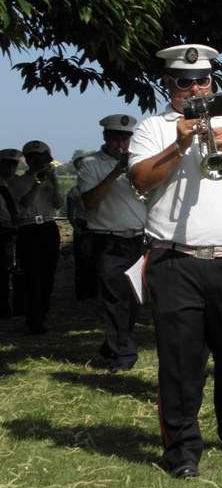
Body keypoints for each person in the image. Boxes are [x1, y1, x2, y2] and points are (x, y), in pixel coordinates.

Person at [129, 44, 222, 478]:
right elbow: (140, 180)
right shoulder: (152, 127)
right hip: (175, 260)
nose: (195, 88)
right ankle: (182, 450)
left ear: (213, 82)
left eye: (203, 80)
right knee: (179, 358)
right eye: (184, 81)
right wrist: (179, 145)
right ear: (168, 84)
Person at [78, 115, 147, 372]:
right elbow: (89, 202)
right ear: (105, 137)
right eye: (116, 137)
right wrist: (116, 171)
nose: (121, 143)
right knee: (115, 298)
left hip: (138, 239)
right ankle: (124, 355)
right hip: (108, 240)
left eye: (125, 138)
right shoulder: (91, 164)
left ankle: (113, 344)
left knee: (133, 299)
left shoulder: (138, 163)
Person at [7, 141, 62, 334]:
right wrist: (37, 183)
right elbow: (23, 203)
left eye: (41, 158)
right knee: (32, 276)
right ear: (28, 160)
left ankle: (43, 314)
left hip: (48, 226)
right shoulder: (17, 181)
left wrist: (53, 181)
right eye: (33, 158)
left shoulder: (48, 178)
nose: (37, 162)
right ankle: (33, 320)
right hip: (28, 228)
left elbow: (58, 203)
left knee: (48, 274)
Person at [67, 156, 97, 301]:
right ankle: (82, 293)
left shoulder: (97, 185)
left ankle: (93, 292)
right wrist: (75, 227)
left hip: (97, 225)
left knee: (96, 260)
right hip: (82, 224)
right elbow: (69, 212)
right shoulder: (74, 191)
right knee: (81, 260)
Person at [0, 149, 22, 318]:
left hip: (11, 231)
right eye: (7, 165)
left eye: (14, 165)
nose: (11, 169)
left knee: (10, 269)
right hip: (2, 230)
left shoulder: (10, 185)